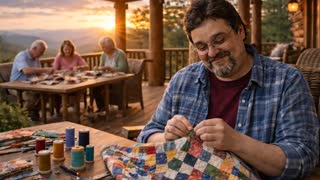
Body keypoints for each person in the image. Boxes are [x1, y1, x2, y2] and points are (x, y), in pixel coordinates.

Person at [137, 0, 319, 179]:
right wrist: (166, 138)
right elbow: (147, 134)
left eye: (219, 40)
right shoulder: (182, 79)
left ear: (241, 31)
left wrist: (236, 142)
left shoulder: (287, 80)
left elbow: (303, 157)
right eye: (202, 47)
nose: (212, 52)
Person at [9, 39, 53, 121]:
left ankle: (34, 112)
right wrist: (45, 70)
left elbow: (38, 73)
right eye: (41, 52)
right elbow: (26, 70)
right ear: (34, 48)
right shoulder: (21, 56)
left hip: (30, 85)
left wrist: (48, 75)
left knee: (47, 93)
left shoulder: (36, 59)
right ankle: (20, 118)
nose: (42, 54)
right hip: (16, 86)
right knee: (31, 97)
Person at [52, 40, 89, 115]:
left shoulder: (76, 56)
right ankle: (60, 110)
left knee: (80, 88)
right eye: (65, 49)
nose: (67, 51)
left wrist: (79, 67)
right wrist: (64, 71)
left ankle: (75, 107)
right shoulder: (59, 57)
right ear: (62, 49)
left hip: (75, 80)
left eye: (69, 49)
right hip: (62, 81)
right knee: (57, 92)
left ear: (72, 49)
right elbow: (54, 71)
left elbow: (86, 67)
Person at [93, 37, 129, 112]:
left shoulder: (120, 54)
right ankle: (101, 107)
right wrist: (98, 68)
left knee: (116, 86)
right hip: (107, 78)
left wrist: (109, 68)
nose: (103, 49)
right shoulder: (103, 55)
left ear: (111, 46)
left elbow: (123, 68)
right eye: (102, 47)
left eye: (105, 47)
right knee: (95, 87)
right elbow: (101, 67)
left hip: (120, 78)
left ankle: (121, 107)